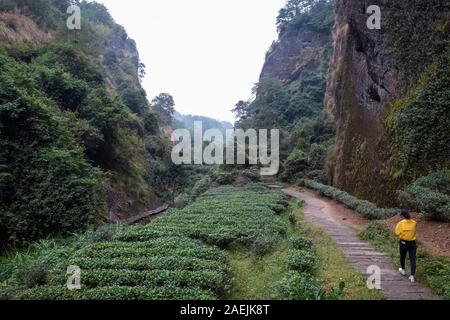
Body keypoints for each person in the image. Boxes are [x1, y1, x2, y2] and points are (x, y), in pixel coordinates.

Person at [395, 209, 417, 283]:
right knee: (412, 259)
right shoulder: (414, 223)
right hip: (412, 243)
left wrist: (402, 235)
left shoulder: (400, 223)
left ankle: (403, 270)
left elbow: (397, 233)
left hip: (403, 242)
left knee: (402, 256)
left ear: (402, 216)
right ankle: (412, 276)